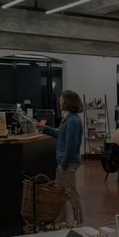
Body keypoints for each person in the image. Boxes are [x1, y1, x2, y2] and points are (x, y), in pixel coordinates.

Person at [35, 90, 84, 224]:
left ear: (67, 101)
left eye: (61, 98)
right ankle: (60, 222)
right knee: (60, 194)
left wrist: (64, 163)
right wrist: (45, 128)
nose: (59, 101)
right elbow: (60, 134)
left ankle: (80, 222)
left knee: (71, 194)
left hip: (67, 163)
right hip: (64, 162)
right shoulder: (68, 119)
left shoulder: (72, 121)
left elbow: (71, 146)